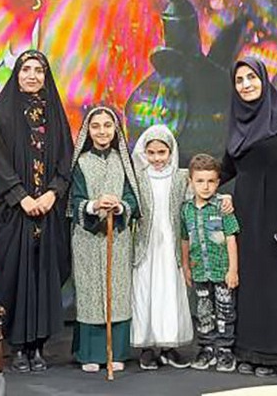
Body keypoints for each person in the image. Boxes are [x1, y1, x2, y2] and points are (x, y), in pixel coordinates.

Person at [0, 50, 74, 373]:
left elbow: (65, 159)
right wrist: (21, 197)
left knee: (42, 277)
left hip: (48, 212)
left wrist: (52, 193)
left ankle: (38, 347)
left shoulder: (55, 114)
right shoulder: (2, 114)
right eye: (26, 69)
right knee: (15, 278)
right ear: (17, 74)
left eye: (39, 70)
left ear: (46, 76)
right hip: (14, 214)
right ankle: (18, 347)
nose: (32, 75)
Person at [222, 56, 277, 377]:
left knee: (276, 285)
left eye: (251, 77)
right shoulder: (238, 122)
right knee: (250, 285)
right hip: (246, 216)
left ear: (263, 79)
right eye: (239, 80)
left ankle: (275, 355)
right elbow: (227, 168)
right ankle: (249, 351)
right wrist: (187, 179)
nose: (246, 84)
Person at [68, 106, 141, 373]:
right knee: (90, 293)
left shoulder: (124, 161)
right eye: (96, 126)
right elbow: (74, 200)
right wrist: (94, 205)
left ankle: (116, 352)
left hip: (117, 236)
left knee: (117, 292)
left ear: (115, 129)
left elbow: (133, 197)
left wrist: (119, 206)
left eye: (107, 125)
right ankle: (89, 353)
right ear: (88, 131)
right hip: (87, 238)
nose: (102, 131)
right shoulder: (81, 162)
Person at [130, 125, 194, 370]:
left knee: (170, 291)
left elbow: (197, 199)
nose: (157, 158)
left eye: (162, 152)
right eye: (151, 153)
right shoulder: (138, 177)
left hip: (171, 245)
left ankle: (169, 346)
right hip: (146, 246)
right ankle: (147, 347)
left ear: (171, 152)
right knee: (145, 292)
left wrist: (225, 198)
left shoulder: (180, 177)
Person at [181, 154, 240, 372]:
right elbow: (184, 238)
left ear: (217, 182)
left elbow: (231, 237)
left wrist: (233, 270)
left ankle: (225, 349)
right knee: (203, 310)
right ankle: (207, 348)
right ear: (191, 181)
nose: (205, 186)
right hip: (199, 271)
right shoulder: (186, 209)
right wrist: (186, 266)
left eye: (210, 181)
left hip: (221, 270)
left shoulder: (221, 207)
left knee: (225, 310)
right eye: (200, 181)